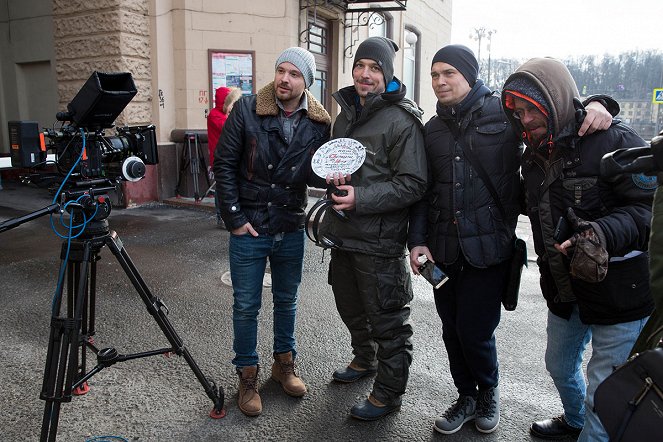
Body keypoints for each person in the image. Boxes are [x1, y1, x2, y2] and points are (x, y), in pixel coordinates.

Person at [407, 45, 616, 436]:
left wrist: (597, 104)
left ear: (470, 75)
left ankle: (488, 392)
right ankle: (465, 396)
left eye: (449, 73)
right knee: (451, 330)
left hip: (490, 250)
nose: (440, 81)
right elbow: (425, 191)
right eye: (435, 74)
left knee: (475, 331)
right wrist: (417, 241)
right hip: (444, 249)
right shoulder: (432, 128)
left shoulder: (504, 116)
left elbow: (556, 118)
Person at [500, 57, 654, 441]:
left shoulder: (614, 138)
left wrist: (601, 232)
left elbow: (648, 211)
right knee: (558, 364)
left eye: (531, 109)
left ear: (554, 100)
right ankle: (575, 419)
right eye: (518, 112)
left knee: (605, 390)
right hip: (565, 289)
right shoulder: (532, 156)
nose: (525, 119)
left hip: (619, 292)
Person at [213, 47, 331, 417]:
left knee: (287, 300)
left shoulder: (318, 123)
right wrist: (233, 218)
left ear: (306, 82)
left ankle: (284, 365)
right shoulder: (246, 109)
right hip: (249, 225)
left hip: (289, 224)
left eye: (294, 74)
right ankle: (247, 376)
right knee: (246, 306)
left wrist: (333, 173)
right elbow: (224, 165)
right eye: (281, 70)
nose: (284, 79)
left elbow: (312, 173)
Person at [319, 36, 428, 421]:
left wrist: (361, 198)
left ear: (387, 74)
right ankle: (364, 360)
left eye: (375, 68)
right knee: (350, 307)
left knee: (388, 320)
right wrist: (334, 182)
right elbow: (339, 165)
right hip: (343, 234)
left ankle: (388, 394)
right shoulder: (345, 114)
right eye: (360, 65)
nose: (365, 74)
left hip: (379, 241)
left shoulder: (402, 121)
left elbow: (413, 183)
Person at [207, 86, 242, 228]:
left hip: (230, 157)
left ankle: (230, 215)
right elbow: (230, 128)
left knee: (230, 187)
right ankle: (220, 217)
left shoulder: (225, 114)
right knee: (221, 188)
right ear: (226, 102)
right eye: (232, 102)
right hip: (220, 159)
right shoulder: (215, 115)